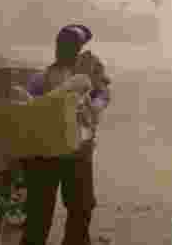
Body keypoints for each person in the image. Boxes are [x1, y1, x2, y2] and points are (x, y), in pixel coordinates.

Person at [21, 24, 112, 245]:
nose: (65, 50)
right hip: (46, 151)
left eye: (71, 46)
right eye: (63, 46)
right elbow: (27, 104)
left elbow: (103, 94)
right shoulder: (42, 78)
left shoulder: (89, 72)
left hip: (77, 150)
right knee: (39, 212)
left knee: (80, 208)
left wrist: (94, 106)